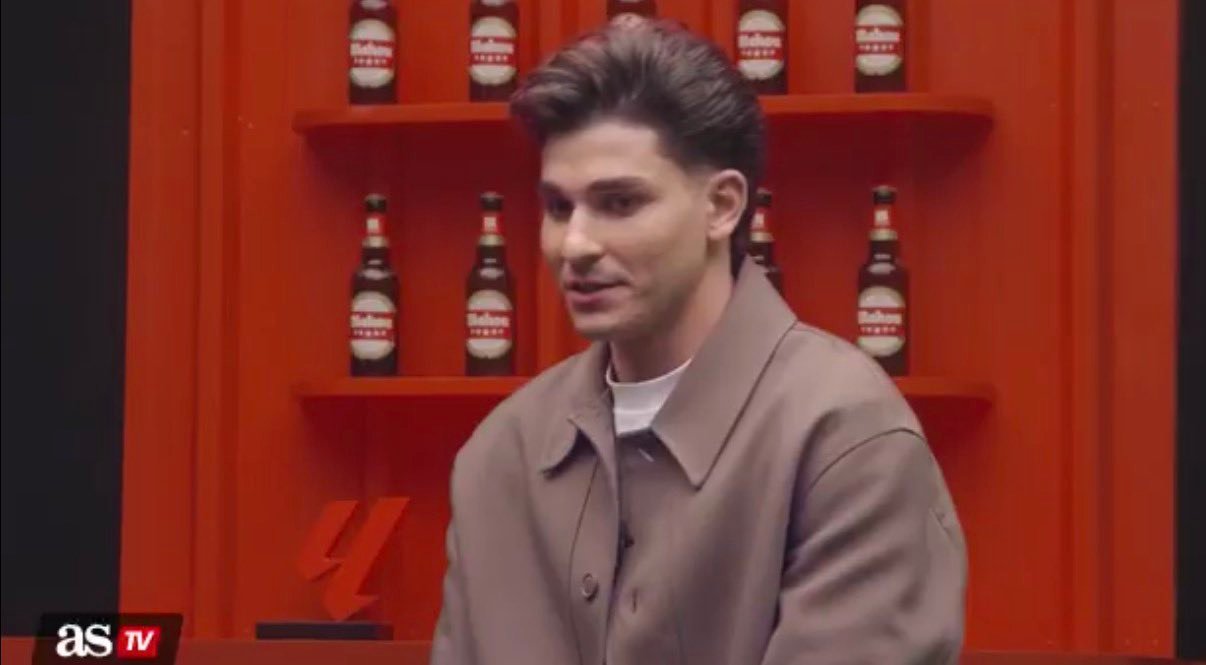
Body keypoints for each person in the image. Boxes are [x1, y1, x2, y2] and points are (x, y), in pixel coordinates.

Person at [431, 18, 966, 665]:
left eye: (620, 203)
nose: (575, 245)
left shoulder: (844, 439)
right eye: (558, 208)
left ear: (722, 206)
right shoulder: (500, 455)